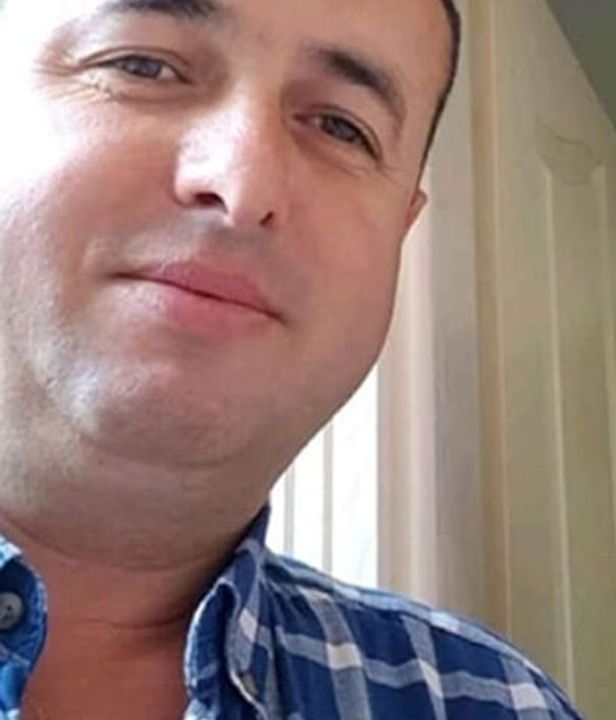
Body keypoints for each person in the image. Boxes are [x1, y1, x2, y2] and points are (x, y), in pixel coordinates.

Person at [0, 0, 580, 717]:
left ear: (400, 231)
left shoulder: (495, 703)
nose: (245, 186)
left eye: (341, 127)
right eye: (142, 66)